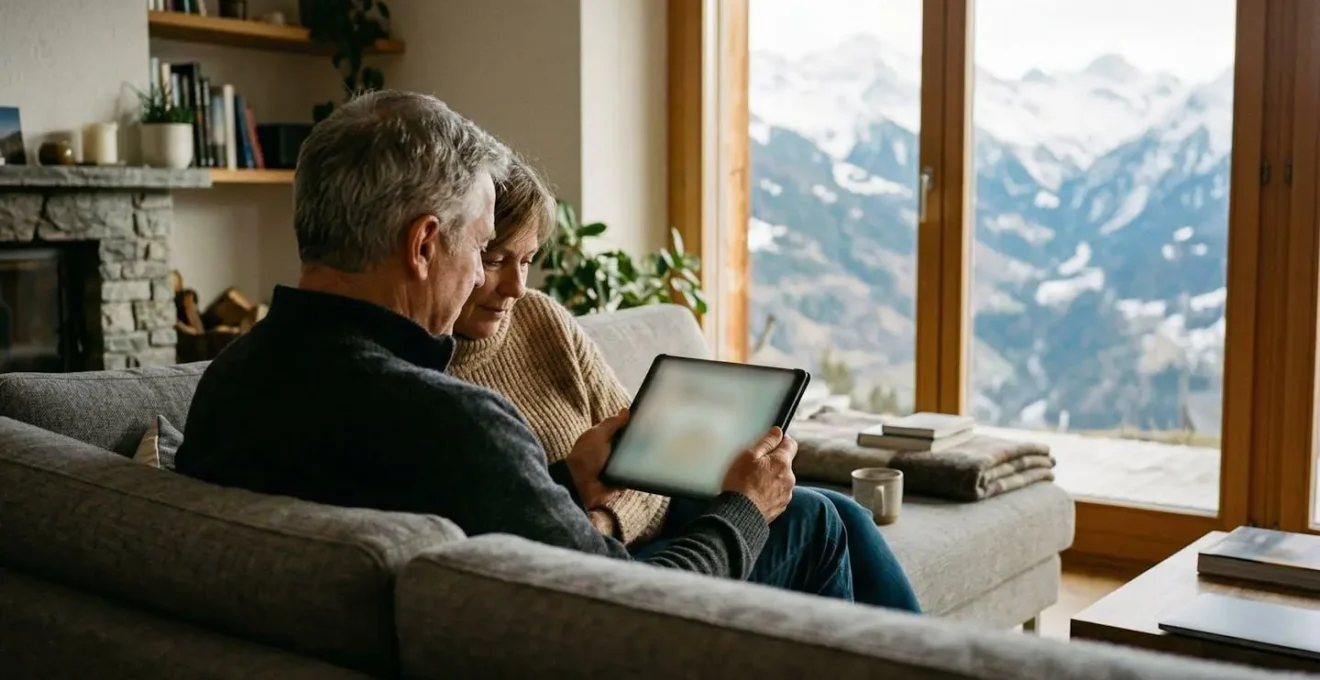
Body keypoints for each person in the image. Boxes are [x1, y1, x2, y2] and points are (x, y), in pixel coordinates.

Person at [174, 90, 853, 598]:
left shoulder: (230, 383)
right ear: (423, 244)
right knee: (811, 523)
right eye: (479, 248)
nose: (485, 277)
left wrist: (563, 483)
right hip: (584, 636)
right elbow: (624, 609)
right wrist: (745, 506)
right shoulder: (450, 421)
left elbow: (454, 510)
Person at [448, 156, 922, 611]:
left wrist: (608, 515)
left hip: (644, 532)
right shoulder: (434, 389)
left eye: (527, 260)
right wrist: (599, 522)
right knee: (816, 522)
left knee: (837, 510)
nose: (515, 286)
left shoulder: (540, 318)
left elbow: (648, 458)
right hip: (611, 570)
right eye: (494, 260)